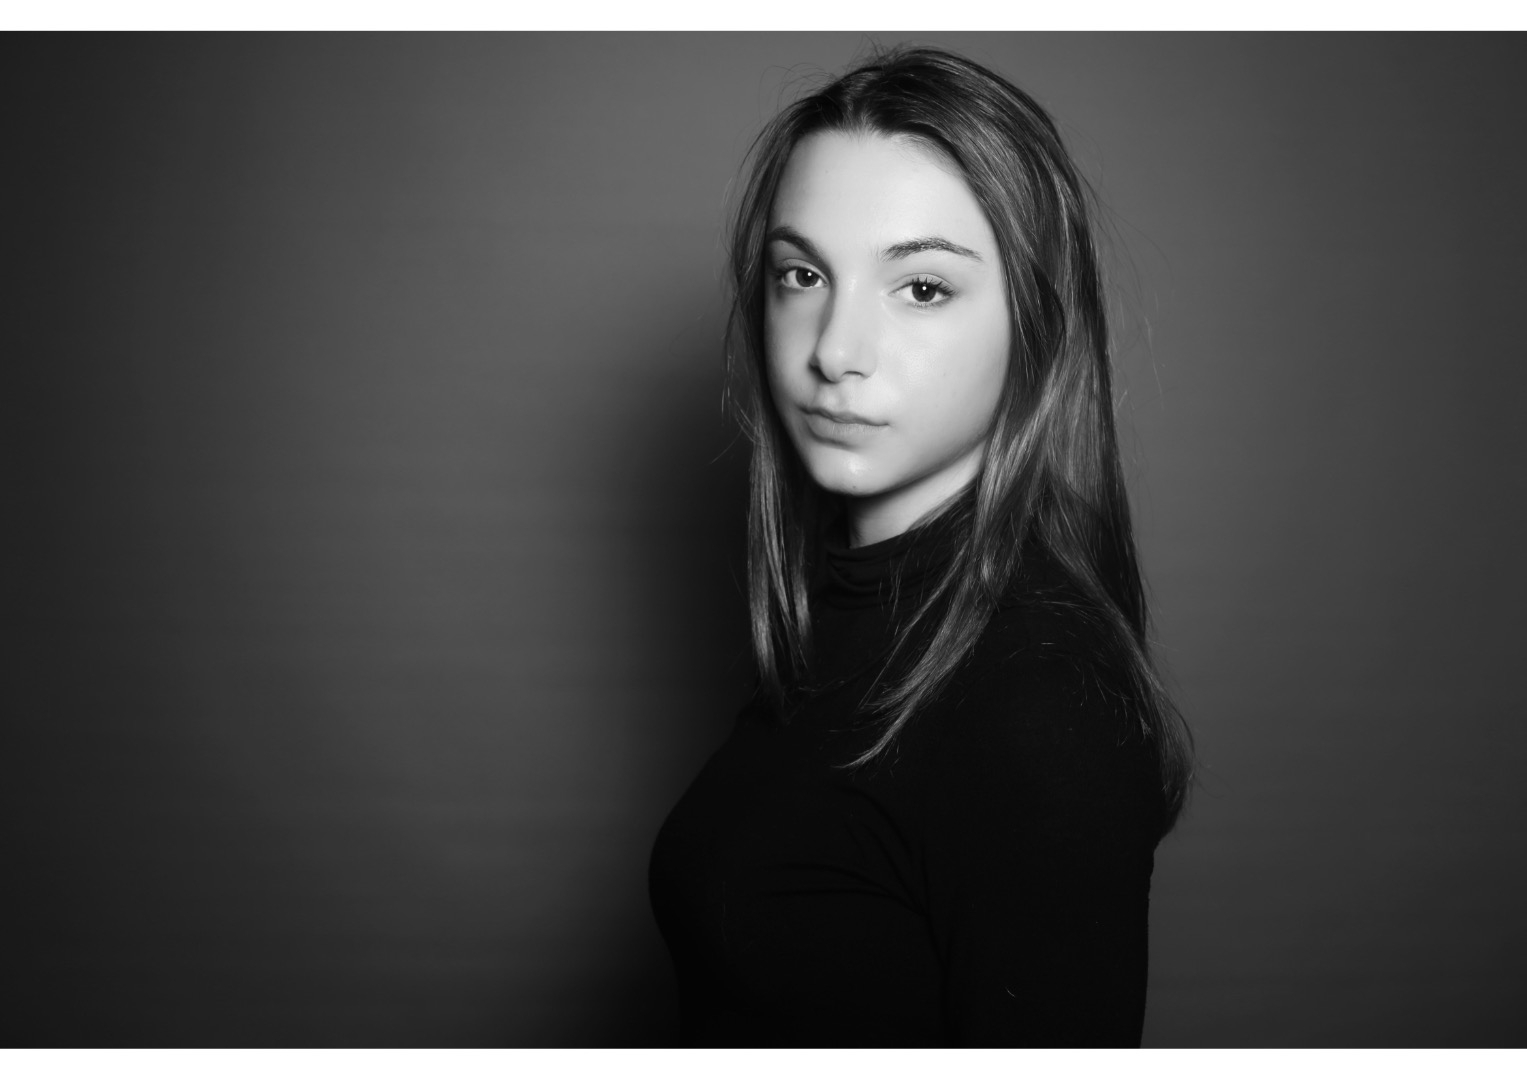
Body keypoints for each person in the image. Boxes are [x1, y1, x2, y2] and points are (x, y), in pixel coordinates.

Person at [648, 44, 1193, 1047]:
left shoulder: (1039, 708)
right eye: (802, 274)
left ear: (1035, 325)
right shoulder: (849, 623)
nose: (834, 350)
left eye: (923, 289)